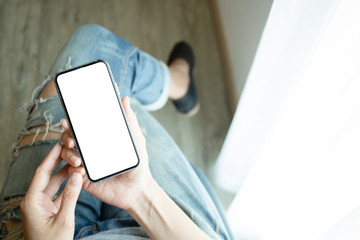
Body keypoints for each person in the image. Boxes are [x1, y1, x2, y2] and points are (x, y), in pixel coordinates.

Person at [0, 24, 232, 239]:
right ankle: (178, 83)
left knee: (92, 46)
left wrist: (138, 194)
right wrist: (141, 195)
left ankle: (176, 82)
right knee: (98, 65)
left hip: (43, 226)